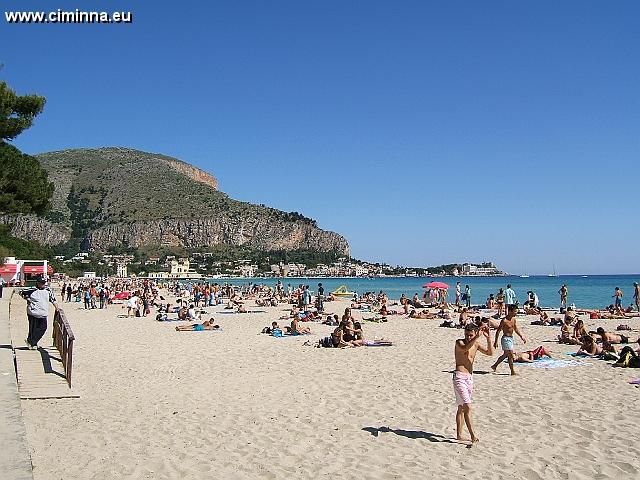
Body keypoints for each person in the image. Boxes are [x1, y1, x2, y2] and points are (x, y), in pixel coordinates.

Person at [453, 323, 493, 444]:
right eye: (466, 334)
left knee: (461, 408)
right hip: (459, 377)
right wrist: (476, 337)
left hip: (469, 378)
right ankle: (473, 436)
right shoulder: (459, 342)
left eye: (471, 335)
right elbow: (465, 348)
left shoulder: (475, 343)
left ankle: (459, 435)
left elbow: (489, 353)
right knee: (467, 407)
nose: (468, 337)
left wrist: (488, 339)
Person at [20, 277, 59, 350]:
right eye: (42, 283)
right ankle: (33, 344)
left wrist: (57, 308)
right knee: (33, 329)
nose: (43, 284)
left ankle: (31, 341)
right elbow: (21, 292)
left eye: (44, 283)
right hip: (33, 312)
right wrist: (28, 299)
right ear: (37, 282)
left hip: (43, 312)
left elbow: (53, 299)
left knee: (43, 328)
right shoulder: (32, 289)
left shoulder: (48, 290)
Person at [491, 304, 527, 375]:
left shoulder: (513, 319)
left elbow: (516, 329)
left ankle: (494, 366)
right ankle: (512, 372)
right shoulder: (504, 320)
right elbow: (498, 331)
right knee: (510, 355)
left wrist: (521, 337)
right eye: (515, 311)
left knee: (505, 355)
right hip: (505, 339)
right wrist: (496, 342)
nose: (516, 313)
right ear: (510, 311)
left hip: (511, 338)